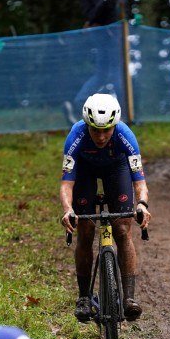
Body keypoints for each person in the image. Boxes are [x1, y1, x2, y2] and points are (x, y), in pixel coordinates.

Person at [60, 93, 151, 322]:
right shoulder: (76, 136)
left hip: (116, 169)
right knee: (86, 231)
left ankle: (129, 298)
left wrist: (142, 203)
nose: (101, 137)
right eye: (95, 130)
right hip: (85, 172)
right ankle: (83, 297)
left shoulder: (125, 135)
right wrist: (67, 209)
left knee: (122, 230)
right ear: (87, 125)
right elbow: (66, 183)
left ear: (115, 125)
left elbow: (139, 181)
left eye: (107, 130)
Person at [63, 0, 128, 125]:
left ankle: (78, 104)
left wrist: (91, 20)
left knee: (103, 72)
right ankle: (125, 115)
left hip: (99, 27)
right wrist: (95, 19)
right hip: (113, 27)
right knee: (117, 71)